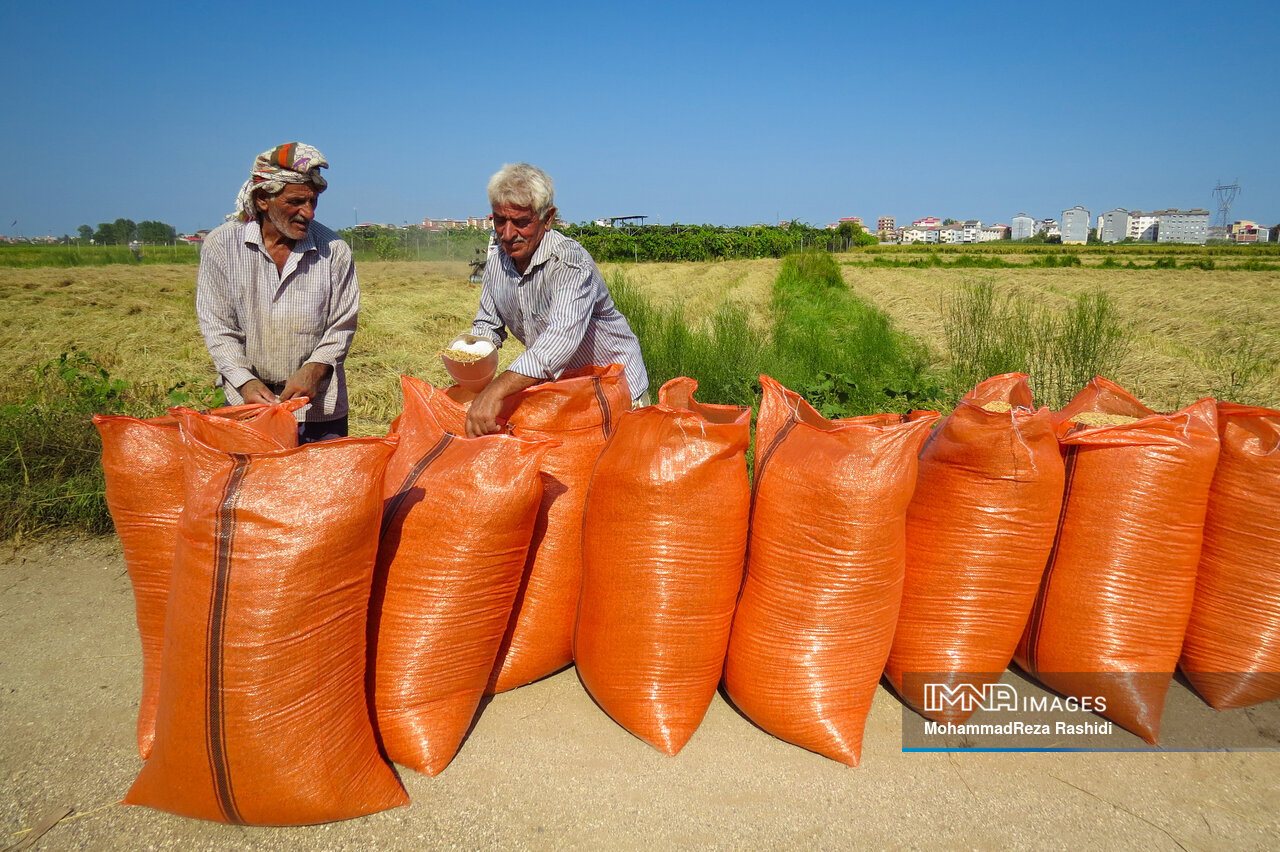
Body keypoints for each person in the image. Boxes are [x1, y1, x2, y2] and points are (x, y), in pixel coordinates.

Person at [464, 163, 649, 438]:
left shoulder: (569, 262)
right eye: (500, 220)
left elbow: (557, 343)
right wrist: (469, 361)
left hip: (615, 391)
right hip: (566, 393)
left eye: (521, 222)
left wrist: (497, 389)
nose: (507, 233)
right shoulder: (499, 262)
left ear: (548, 218)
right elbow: (488, 325)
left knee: (618, 474)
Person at [195, 142, 359, 443]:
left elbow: (342, 325)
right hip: (249, 405)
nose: (307, 213)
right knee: (256, 486)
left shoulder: (333, 250)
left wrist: (315, 368)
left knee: (321, 488)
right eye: (295, 202)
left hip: (317, 409)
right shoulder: (222, 247)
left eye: (313, 201)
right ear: (262, 200)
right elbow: (218, 329)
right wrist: (245, 382)